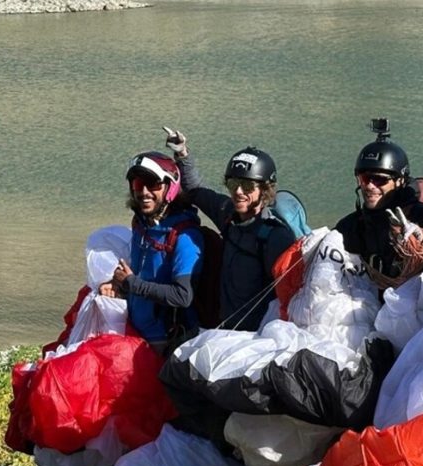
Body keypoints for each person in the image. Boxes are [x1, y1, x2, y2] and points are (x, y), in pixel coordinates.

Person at [162, 128, 297, 332]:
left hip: (257, 341)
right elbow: (196, 190)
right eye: (233, 183)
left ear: (265, 190)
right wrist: (182, 154)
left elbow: (290, 295)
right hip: (224, 332)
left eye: (248, 186)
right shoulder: (228, 214)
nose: (239, 192)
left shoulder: (276, 236)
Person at [100, 151, 204, 355]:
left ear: (170, 187)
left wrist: (132, 283)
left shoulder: (185, 237)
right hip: (134, 330)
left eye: (153, 184)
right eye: (138, 184)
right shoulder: (141, 224)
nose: (144, 192)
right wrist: (118, 284)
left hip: (165, 342)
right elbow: (141, 271)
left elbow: (183, 296)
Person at [334, 119, 423, 287]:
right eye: (364, 179)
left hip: (417, 304)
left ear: (400, 181)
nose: (370, 186)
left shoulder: (422, 216)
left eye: (380, 180)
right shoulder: (351, 225)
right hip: (369, 303)